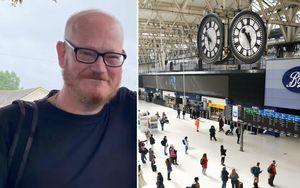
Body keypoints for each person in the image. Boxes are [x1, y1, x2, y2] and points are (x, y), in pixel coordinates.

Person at [0, 10, 136, 188]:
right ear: (62, 54)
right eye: (87, 53)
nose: (100, 68)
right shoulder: (10, 127)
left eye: (112, 56)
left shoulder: (129, 110)